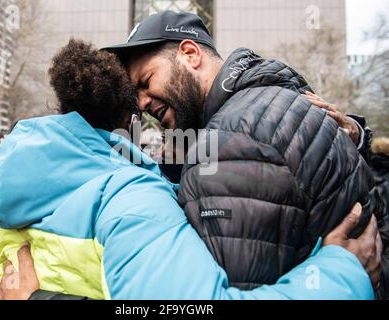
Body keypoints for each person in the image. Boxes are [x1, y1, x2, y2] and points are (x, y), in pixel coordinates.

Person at [0, 39, 379, 300]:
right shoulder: (132, 196)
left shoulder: (12, 185)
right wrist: (341, 272)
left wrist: (357, 134)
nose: (147, 104)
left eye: (146, 81)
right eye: (137, 96)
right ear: (130, 123)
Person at [103, 11, 388, 297]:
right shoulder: (277, 100)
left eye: (145, 81)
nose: (141, 103)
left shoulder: (230, 139)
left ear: (190, 54)